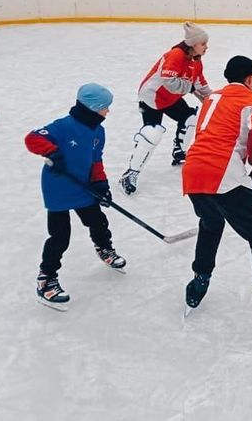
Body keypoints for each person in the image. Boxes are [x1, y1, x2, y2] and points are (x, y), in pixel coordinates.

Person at [182, 56, 252, 343]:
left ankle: (198, 284)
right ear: (250, 78)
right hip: (224, 173)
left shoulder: (211, 99)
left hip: (193, 171)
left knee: (211, 223)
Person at [25, 83, 126, 310]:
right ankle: (46, 279)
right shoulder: (63, 126)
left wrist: (100, 184)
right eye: (105, 107)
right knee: (60, 236)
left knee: (98, 221)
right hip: (58, 187)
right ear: (93, 107)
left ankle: (104, 249)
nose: (108, 112)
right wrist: (52, 152)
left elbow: (96, 159)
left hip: (84, 185)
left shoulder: (98, 132)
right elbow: (32, 139)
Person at [119, 22, 212, 196]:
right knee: (152, 134)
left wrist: (214, 101)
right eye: (203, 44)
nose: (206, 47)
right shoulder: (176, 55)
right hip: (152, 98)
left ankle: (179, 151)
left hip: (171, 99)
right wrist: (190, 88)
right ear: (192, 44)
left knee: (191, 118)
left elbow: (200, 84)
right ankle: (130, 173)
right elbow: (170, 83)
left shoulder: (196, 62)